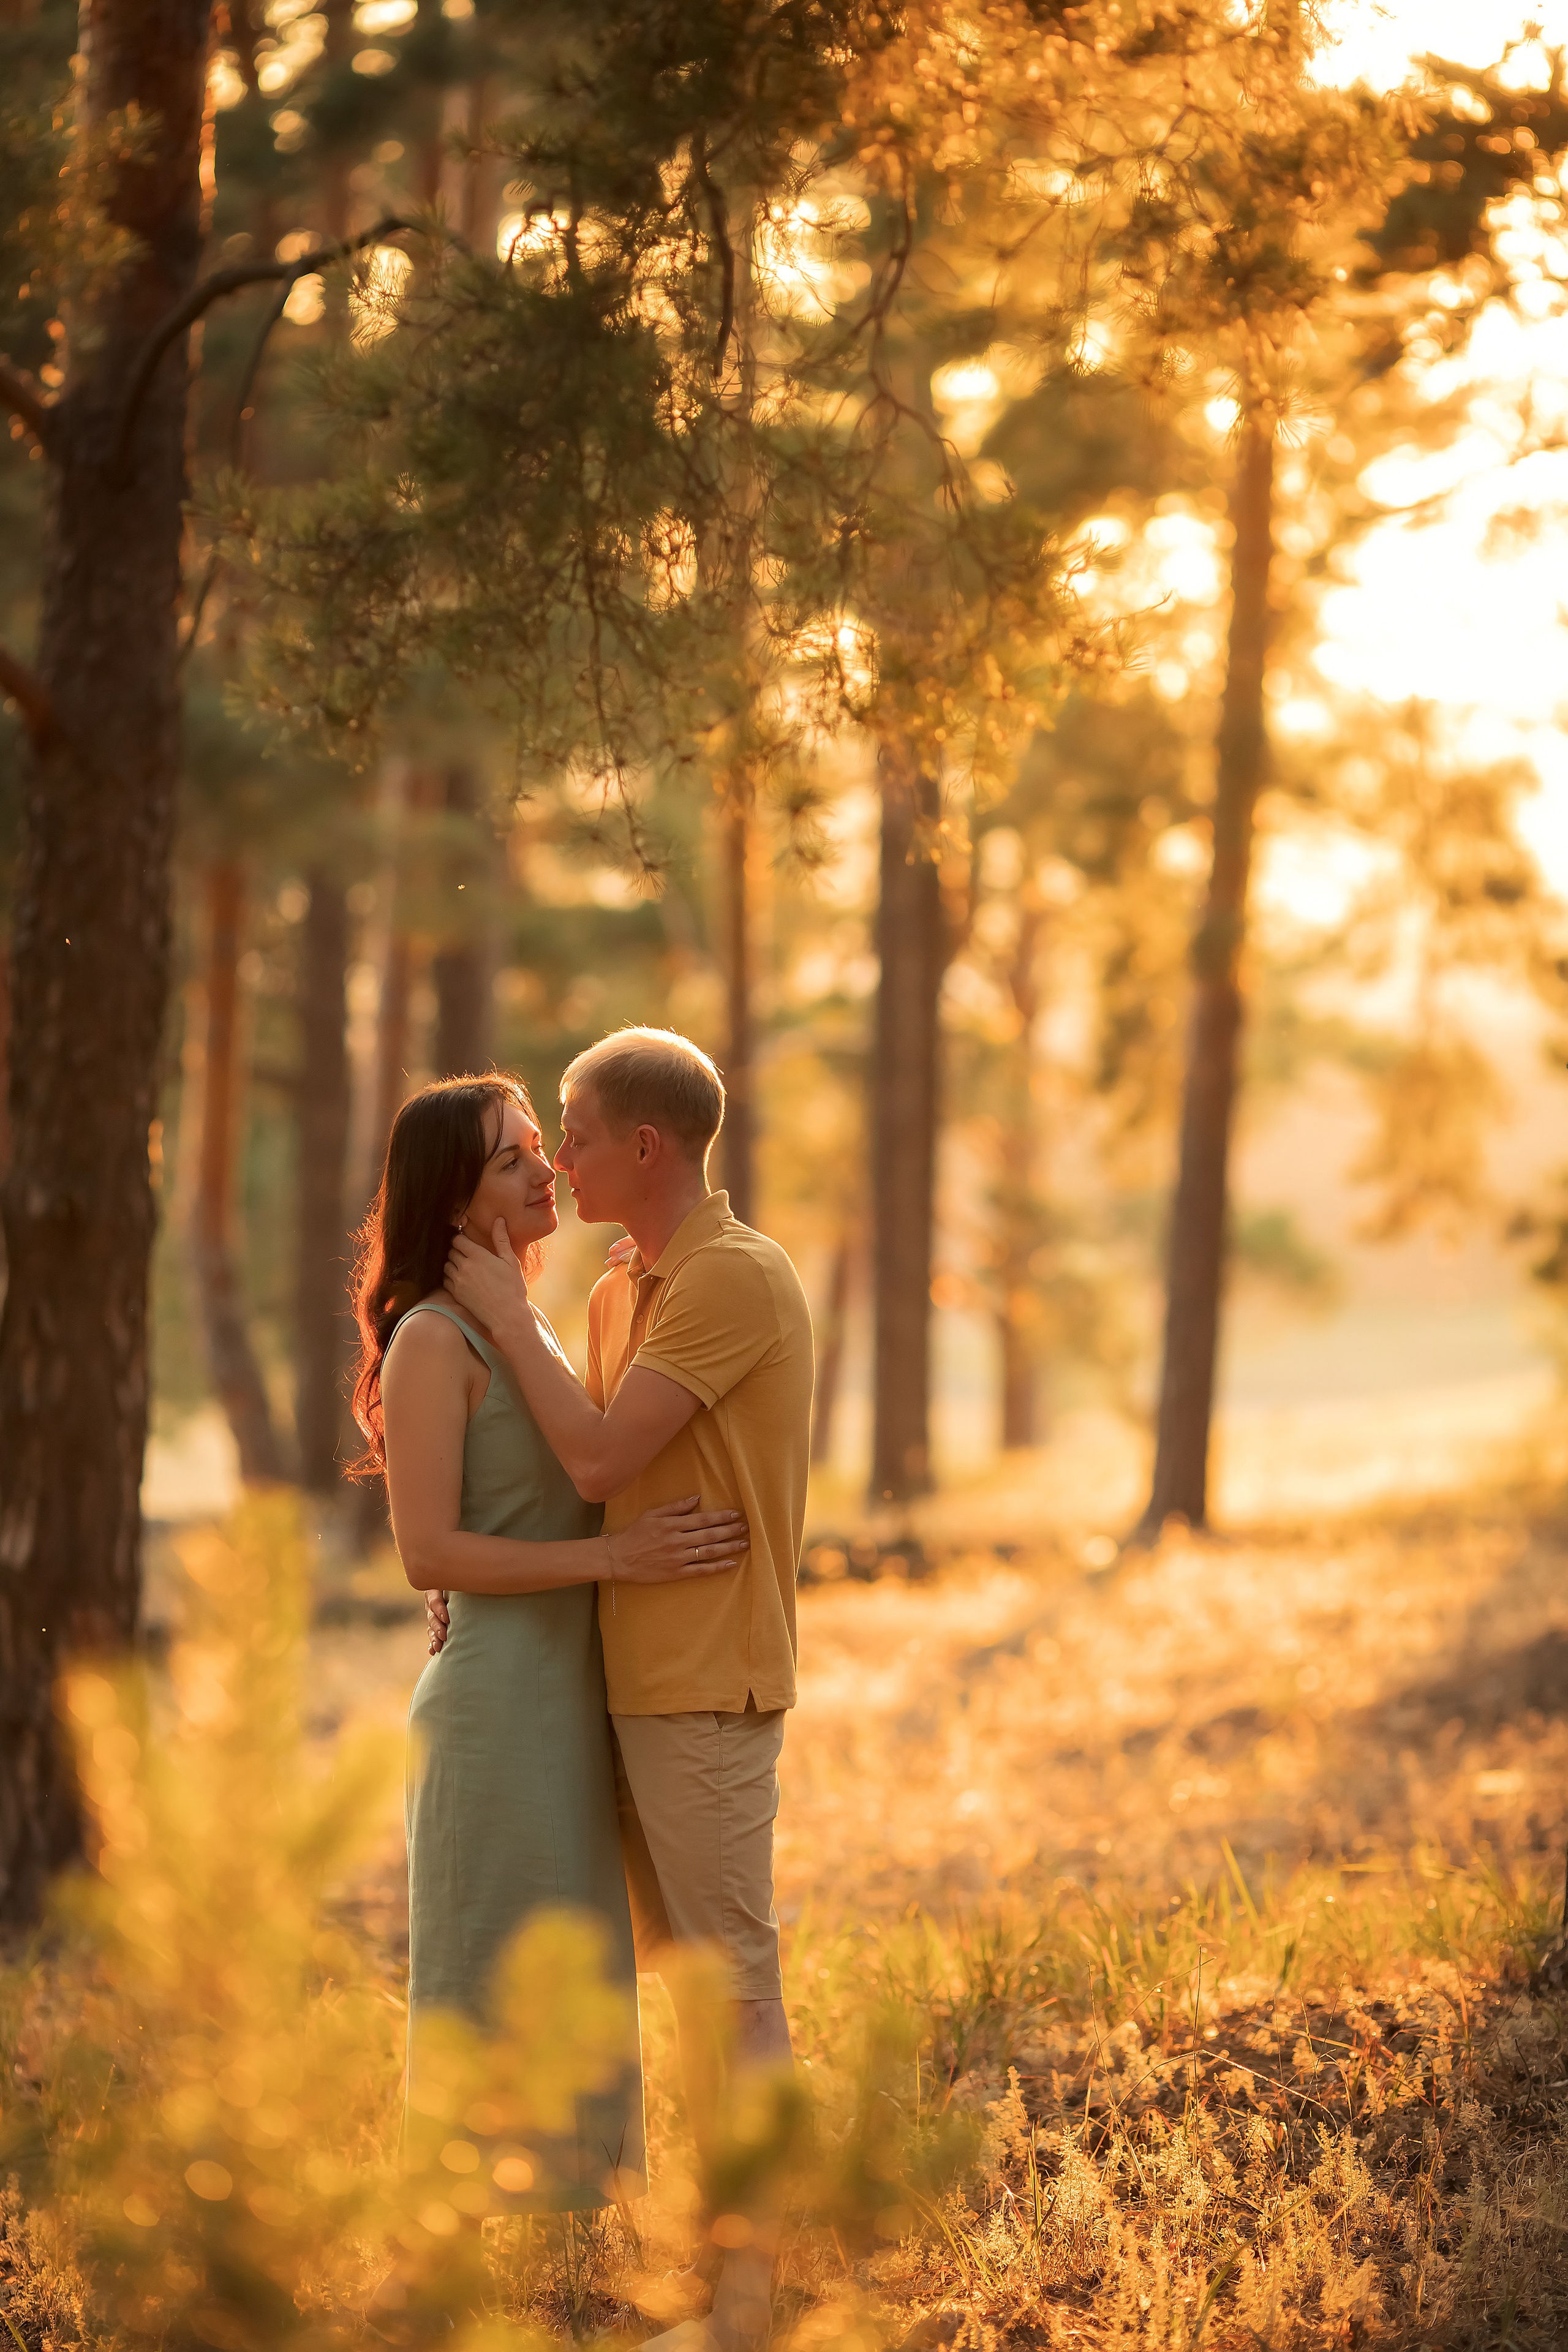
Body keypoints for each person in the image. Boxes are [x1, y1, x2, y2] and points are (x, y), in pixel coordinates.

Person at [435, 1028, 814, 2350]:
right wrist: (465, 1559)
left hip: (705, 1683)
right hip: (620, 1682)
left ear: (643, 1147)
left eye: (574, 1137)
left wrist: (499, 1314)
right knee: (681, 1985)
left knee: (732, 1986)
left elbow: (597, 1461)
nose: (560, 1160)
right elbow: (571, 1467)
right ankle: (725, 2273)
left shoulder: (732, 1279)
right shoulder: (616, 1294)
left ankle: (753, 2307)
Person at [353, 1072, 749, 2212]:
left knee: (579, 1983)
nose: (549, 1172)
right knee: (496, 1987)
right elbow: (429, 1554)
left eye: (544, 1146)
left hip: (565, 1712)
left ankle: (582, 2253)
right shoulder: (434, 1338)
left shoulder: (522, 1326)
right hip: (492, 1718)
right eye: (516, 1159)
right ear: (456, 1198)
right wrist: (610, 1562)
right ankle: (480, 2265)